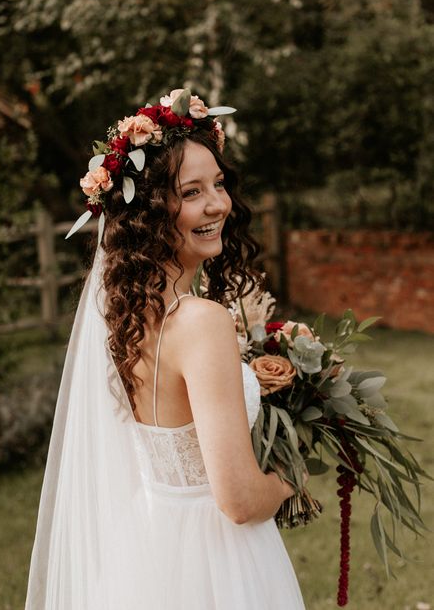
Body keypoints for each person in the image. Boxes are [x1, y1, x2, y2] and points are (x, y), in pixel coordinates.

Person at [25, 89, 306, 609]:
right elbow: (240, 501)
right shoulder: (202, 322)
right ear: (152, 210)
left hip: (150, 543)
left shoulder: (125, 315)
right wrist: (293, 473)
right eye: (192, 192)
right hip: (219, 561)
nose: (218, 204)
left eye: (218, 184)